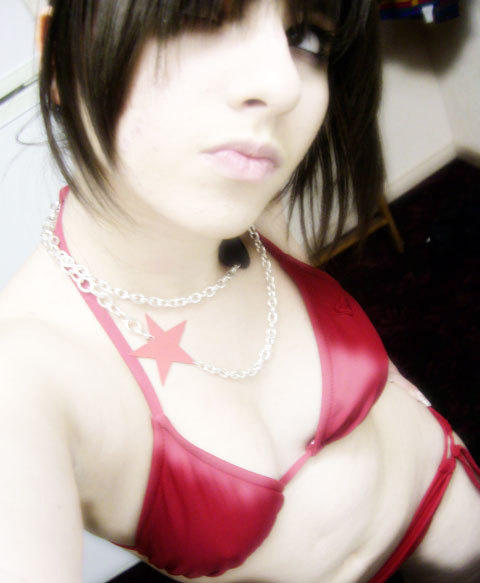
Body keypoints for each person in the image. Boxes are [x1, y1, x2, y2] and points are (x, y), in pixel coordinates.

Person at [0, 1, 478, 582]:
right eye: (202, 15)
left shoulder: (245, 208)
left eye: (306, 37)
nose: (284, 84)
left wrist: (405, 393)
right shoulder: (22, 377)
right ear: (59, 58)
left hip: (450, 500)